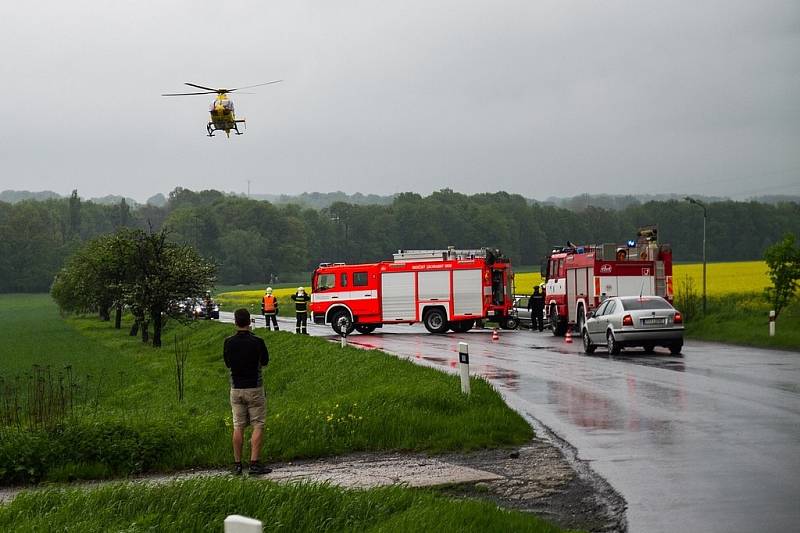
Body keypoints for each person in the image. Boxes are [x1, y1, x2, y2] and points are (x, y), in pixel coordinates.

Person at [223, 308, 271, 475]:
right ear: (250, 322)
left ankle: (237, 465)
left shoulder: (228, 342)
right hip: (255, 388)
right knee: (258, 425)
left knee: (238, 426)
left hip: (236, 388)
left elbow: (228, 364)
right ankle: (254, 464)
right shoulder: (258, 341)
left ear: (235, 322)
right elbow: (264, 362)